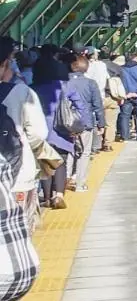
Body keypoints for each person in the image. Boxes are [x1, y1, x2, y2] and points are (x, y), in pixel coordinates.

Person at [0, 37, 44, 301]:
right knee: (17, 228)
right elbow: (36, 134)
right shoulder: (21, 93)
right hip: (16, 178)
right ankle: (10, 299)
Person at [31, 53, 77, 210]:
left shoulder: (32, 88)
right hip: (62, 130)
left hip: (40, 132)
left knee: (45, 163)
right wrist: (78, 126)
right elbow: (80, 106)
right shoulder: (65, 86)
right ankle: (58, 195)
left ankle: (48, 196)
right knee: (60, 162)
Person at [64, 49, 103, 193]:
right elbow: (98, 104)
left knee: (69, 150)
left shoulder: (64, 81)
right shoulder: (91, 83)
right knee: (84, 153)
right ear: (86, 67)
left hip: (66, 122)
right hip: (85, 122)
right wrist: (101, 123)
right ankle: (80, 184)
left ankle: (65, 179)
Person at [115, 52, 137, 142]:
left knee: (125, 116)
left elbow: (120, 83)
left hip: (126, 96)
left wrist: (127, 93)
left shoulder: (121, 69)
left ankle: (124, 136)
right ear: (134, 59)